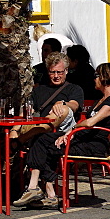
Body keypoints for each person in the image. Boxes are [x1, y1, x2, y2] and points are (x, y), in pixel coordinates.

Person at [15, 62, 110, 209]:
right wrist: (68, 134)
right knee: (41, 138)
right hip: (82, 140)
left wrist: (70, 133)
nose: (94, 79)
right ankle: (43, 191)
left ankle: (40, 189)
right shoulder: (101, 100)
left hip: (93, 146)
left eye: (96, 76)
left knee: (45, 144)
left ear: (104, 77)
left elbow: (90, 123)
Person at [13, 52, 84, 208]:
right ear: (48, 72)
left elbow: (75, 105)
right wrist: (15, 128)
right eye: (53, 72)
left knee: (42, 137)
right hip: (41, 133)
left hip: (63, 133)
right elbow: (27, 111)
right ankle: (48, 192)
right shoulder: (39, 91)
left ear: (66, 71)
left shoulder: (74, 89)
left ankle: (34, 187)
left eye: (59, 72)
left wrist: (63, 103)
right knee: (40, 138)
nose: (56, 76)